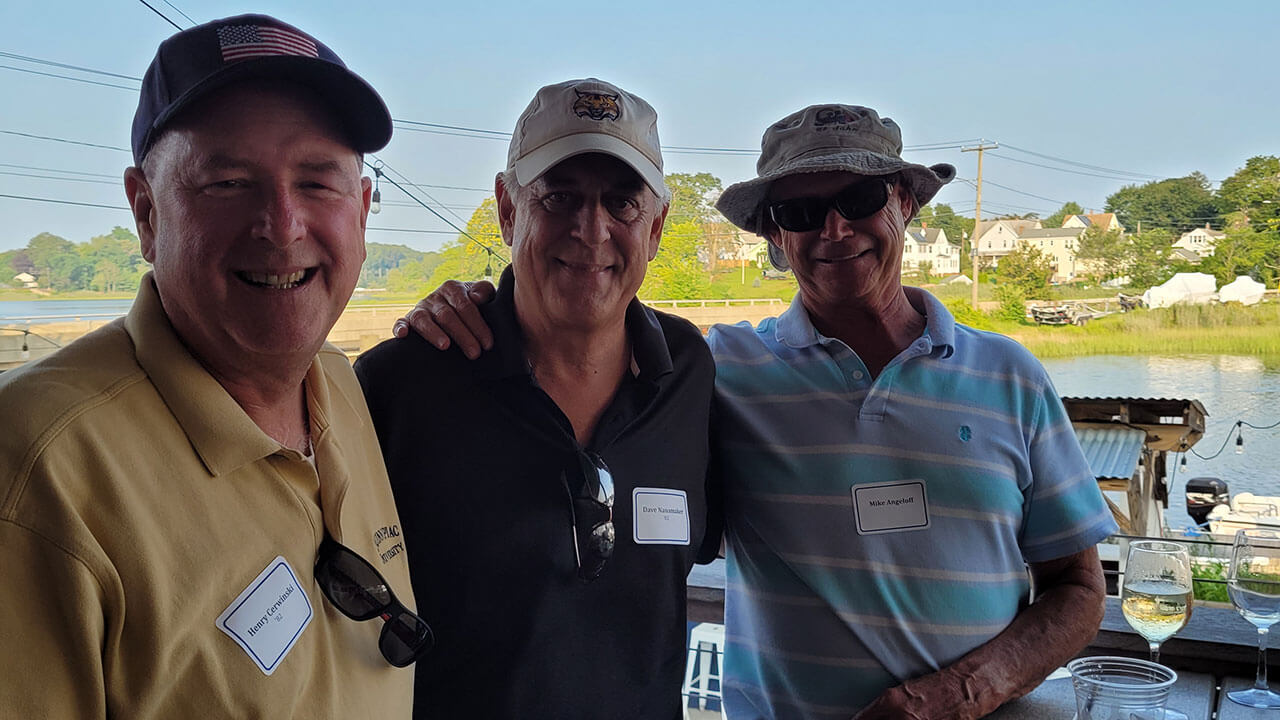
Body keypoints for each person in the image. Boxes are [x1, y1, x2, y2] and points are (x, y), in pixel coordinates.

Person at [402, 103, 1117, 719]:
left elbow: (1079, 590)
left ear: (904, 200)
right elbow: (587, 322)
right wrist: (471, 305)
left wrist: (963, 692)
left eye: (861, 197)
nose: (834, 229)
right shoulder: (720, 373)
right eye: (802, 212)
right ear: (774, 235)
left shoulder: (1011, 375)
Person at [0, 15, 426, 719]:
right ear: (145, 213)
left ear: (362, 208)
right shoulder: (37, 470)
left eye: (318, 183)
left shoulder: (341, 382)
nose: (281, 224)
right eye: (227, 182)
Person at [355, 78, 718, 719]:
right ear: (506, 209)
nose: (591, 229)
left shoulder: (689, 373)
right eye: (559, 197)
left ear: (657, 225)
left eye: (622, 204)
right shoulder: (402, 383)